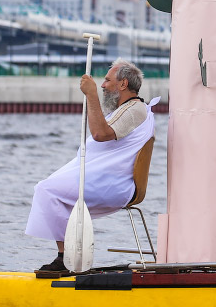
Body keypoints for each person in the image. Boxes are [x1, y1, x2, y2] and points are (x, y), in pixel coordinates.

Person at [26, 59, 156, 273]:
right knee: (48, 190)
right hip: (107, 180)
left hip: (115, 185)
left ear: (123, 84)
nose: (103, 85)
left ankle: (64, 259)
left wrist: (91, 95)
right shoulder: (128, 109)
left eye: (107, 80)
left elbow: (100, 134)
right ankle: (69, 258)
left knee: (47, 190)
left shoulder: (135, 109)